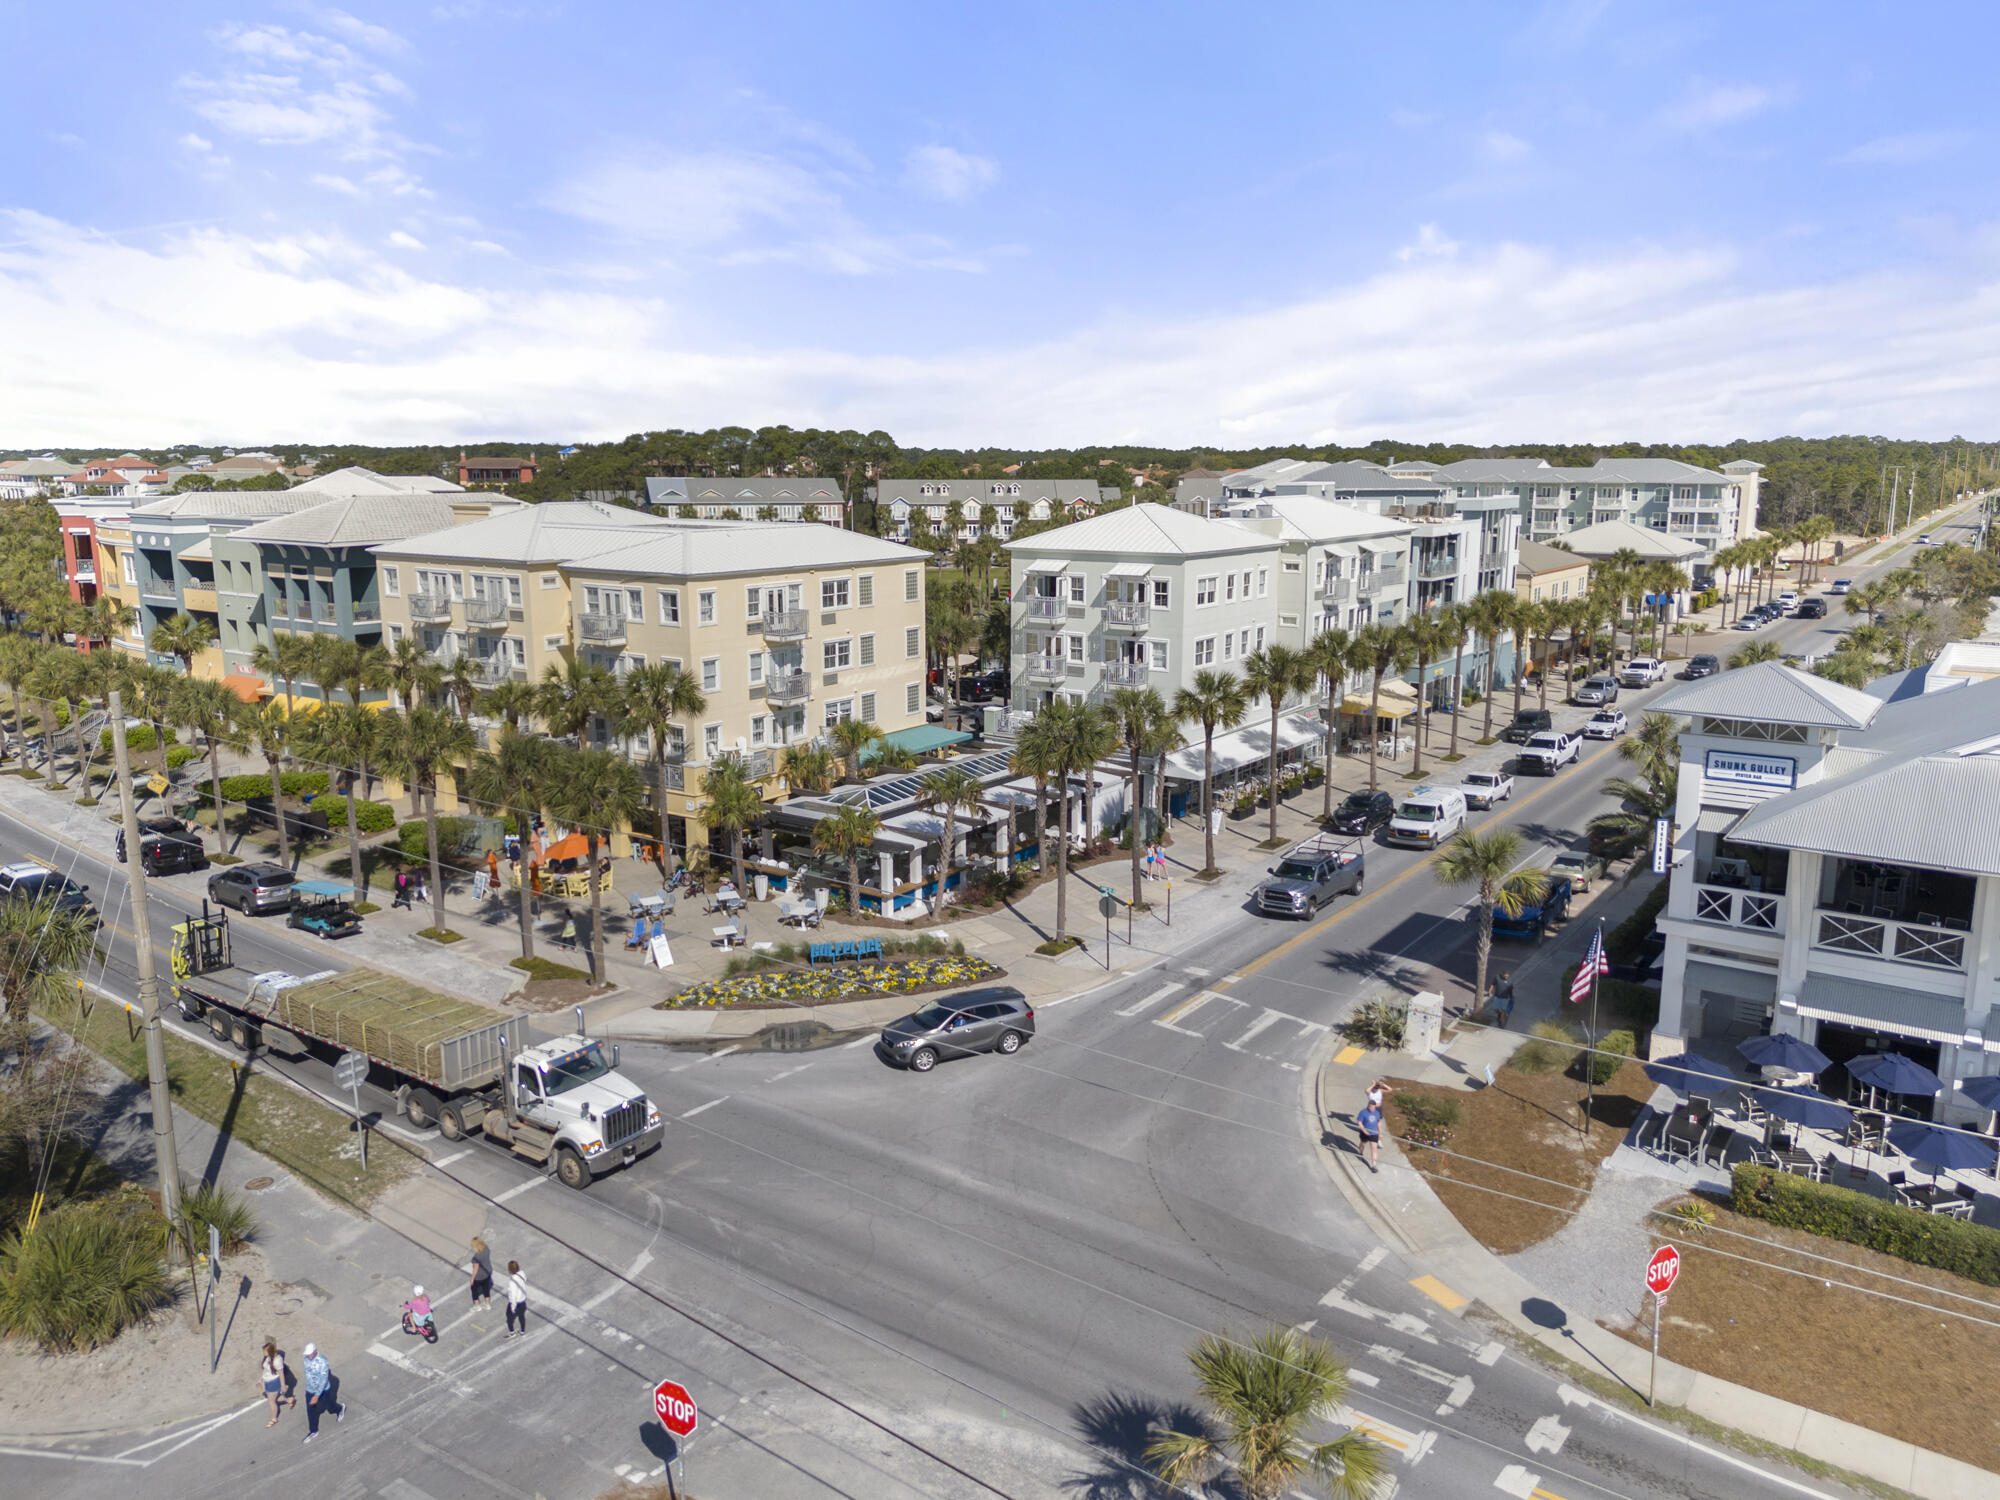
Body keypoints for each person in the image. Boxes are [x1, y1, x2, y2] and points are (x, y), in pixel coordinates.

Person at [299, 1342, 344, 1442]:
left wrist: (316, 1395)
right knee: (311, 1411)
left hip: (323, 1391)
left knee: (330, 1407)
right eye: (306, 1354)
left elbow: (323, 1380)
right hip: (310, 1390)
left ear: (315, 1352)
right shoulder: (306, 1359)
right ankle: (313, 1430)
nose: (307, 1355)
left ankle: (340, 1408)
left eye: (309, 1353)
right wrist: (310, 1390)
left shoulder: (322, 1361)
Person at [260, 1340, 294, 1427]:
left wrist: (283, 1386)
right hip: (268, 1381)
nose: (263, 1352)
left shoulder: (277, 1361)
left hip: (273, 1383)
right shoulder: (268, 1358)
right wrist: (261, 1379)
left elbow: (281, 1373)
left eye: (265, 1351)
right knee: (277, 1399)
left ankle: (274, 1418)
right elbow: (266, 1370)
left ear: (270, 1351)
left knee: (271, 1401)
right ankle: (289, 1399)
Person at [1355, 1100, 1383, 1172]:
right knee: (1363, 1144)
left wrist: (1380, 1133)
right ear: (1368, 1106)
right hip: (1365, 1133)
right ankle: (1360, 1152)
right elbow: (1359, 1122)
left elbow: (1379, 1122)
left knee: (1374, 1149)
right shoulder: (1363, 1112)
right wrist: (1364, 1130)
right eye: (1371, 1107)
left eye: (1373, 1107)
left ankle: (1374, 1165)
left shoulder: (1377, 1113)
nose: (1372, 1109)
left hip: (1374, 1133)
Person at [504, 1259, 528, 1340]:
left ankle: (512, 1332)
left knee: (509, 1318)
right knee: (522, 1316)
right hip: (523, 1301)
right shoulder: (522, 1273)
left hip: (516, 1303)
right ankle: (522, 1331)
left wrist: (513, 1307)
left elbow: (513, 1295)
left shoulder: (512, 1281)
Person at [468, 1237, 492, 1308]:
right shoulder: (487, 1249)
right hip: (487, 1272)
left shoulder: (477, 1256)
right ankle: (487, 1304)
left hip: (479, 1276)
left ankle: (477, 1306)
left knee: (474, 1290)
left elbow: (476, 1268)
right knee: (486, 1288)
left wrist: (472, 1278)